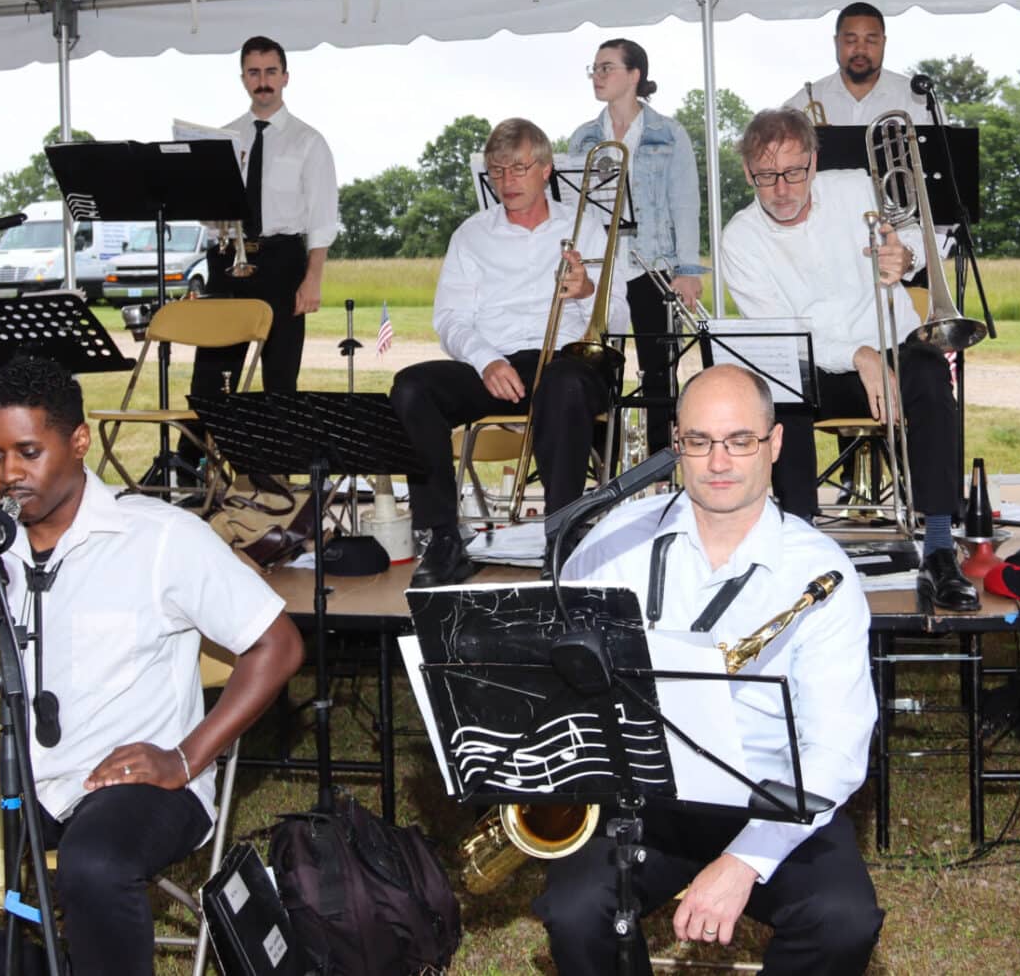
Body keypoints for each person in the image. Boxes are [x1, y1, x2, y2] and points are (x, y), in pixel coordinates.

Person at [0, 355, 305, 976]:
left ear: (78, 442)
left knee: (94, 865)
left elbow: (279, 645)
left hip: (134, 787)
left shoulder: (161, 538)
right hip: (22, 781)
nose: (9, 475)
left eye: (27, 452)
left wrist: (183, 758)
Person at [535, 364, 883, 974]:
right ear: (677, 445)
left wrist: (745, 861)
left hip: (773, 796)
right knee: (573, 908)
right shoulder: (617, 539)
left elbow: (837, 750)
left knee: (843, 919)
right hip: (644, 796)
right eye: (699, 441)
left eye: (739, 440)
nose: (718, 461)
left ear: (774, 445)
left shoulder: (820, 572)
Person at [718, 108, 979, 612]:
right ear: (748, 172)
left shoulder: (858, 187)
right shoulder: (741, 238)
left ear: (814, 163)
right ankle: (800, 547)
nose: (782, 189)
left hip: (893, 346)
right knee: (780, 396)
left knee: (927, 371)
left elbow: (921, 246)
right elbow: (784, 335)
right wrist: (859, 355)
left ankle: (941, 551)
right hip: (814, 361)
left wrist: (906, 260)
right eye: (766, 176)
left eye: (794, 172)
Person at [390, 117, 624, 588]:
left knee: (565, 384)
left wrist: (585, 289)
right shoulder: (471, 234)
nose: (507, 181)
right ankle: (442, 538)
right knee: (412, 388)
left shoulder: (589, 227)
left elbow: (617, 319)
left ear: (546, 170)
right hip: (495, 364)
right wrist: (485, 360)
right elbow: (450, 319)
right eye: (497, 170)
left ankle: (562, 537)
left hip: (567, 362)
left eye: (519, 168)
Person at [566, 37, 706, 457]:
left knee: (659, 376)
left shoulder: (669, 133)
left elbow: (685, 203)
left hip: (654, 265)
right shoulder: (584, 137)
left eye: (607, 67)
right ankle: (601, 469)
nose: (598, 76)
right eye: (594, 68)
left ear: (634, 75)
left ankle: (662, 468)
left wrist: (688, 271)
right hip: (601, 267)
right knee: (596, 370)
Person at [192, 35, 340, 401]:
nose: (263, 81)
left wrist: (312, 280)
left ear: (286, 77)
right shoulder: (222, 140)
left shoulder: (309, 141)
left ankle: (276, 460)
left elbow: (322, 217)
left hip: (281, 263)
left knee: (280, 380)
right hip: (227, 260)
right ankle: (196, 458)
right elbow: (208, 217)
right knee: (212, 379)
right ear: (243, 79)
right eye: (254, 73)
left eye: (271, 71)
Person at [781, 1, 925, 126]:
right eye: (851, 40)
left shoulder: (916, 100)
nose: (860, 49)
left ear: (883, 42)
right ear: (836, 42)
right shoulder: (803, 102)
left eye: (870, 40)